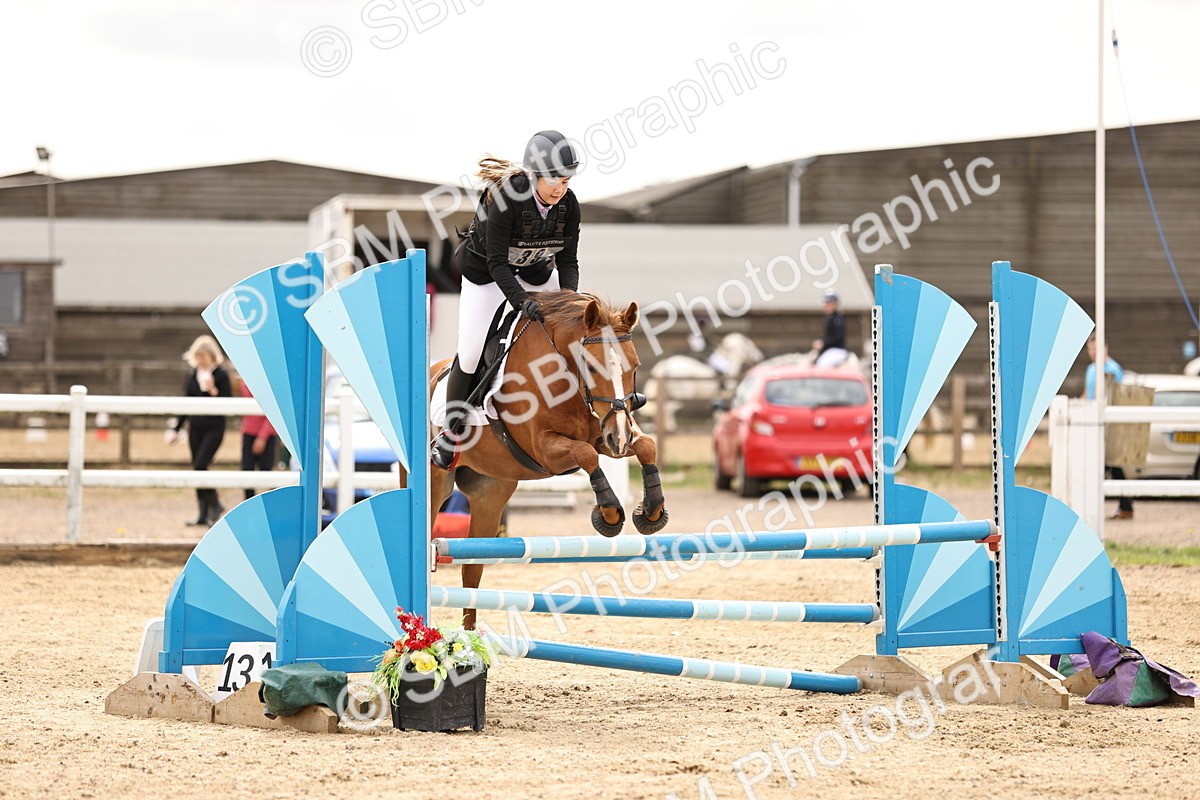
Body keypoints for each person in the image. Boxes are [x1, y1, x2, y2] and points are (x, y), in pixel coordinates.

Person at [431, 130, 582, 470]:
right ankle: (449, 433)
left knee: (575, 331)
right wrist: (520, 302)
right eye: (554, 180)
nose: (560, 188)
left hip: (535, 272)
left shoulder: (569, 206)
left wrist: (568, 302)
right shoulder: (504, 199)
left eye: (566, 180)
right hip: (486, 275)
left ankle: (598, 405)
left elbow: (568, 261)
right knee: (470, 352)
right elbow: (497, 263)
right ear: (534, 174)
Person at [168, 335, 232, 526]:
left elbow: (227, 402)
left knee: (201, 465)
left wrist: (213, 390)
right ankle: (203, 513)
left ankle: (215, 503)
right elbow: (186, 403)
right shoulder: (192, 375)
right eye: (198, 357)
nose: (200, 361)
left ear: (211, 355)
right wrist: (176, 429)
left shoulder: (221, 375)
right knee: (196, 468)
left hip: (214, 428)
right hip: (195, 428)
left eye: (203, 356)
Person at [1084, 335, 1133, 520]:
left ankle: (1124, 505)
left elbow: (1117, 396)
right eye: (1090, 349)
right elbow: (1087, 393)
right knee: (1108, 465)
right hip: (1090, 423)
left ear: (1105, 348)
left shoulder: (1113, 369)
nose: (1093, 352)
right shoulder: (1090, 370)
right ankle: (1124, 505)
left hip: (1107, 425)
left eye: (1096, 348)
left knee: (1110, 464)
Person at [238, 378, 278, 501]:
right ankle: (248, 505)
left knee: (266, 471)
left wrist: (262, 437)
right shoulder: (244, 381)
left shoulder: (268, 382)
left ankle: (273, 505)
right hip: (248, 432)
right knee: (247, 471)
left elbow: (272, 411)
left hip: (267, 433)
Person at [813, 289, 849, 367]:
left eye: (829, 303)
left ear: (835, 304)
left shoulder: (837, 319)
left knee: (822, 366)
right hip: (830, 351)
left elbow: (837, 337)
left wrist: (823, 342)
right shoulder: (830, 318)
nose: (826, 305)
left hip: (837, 350)